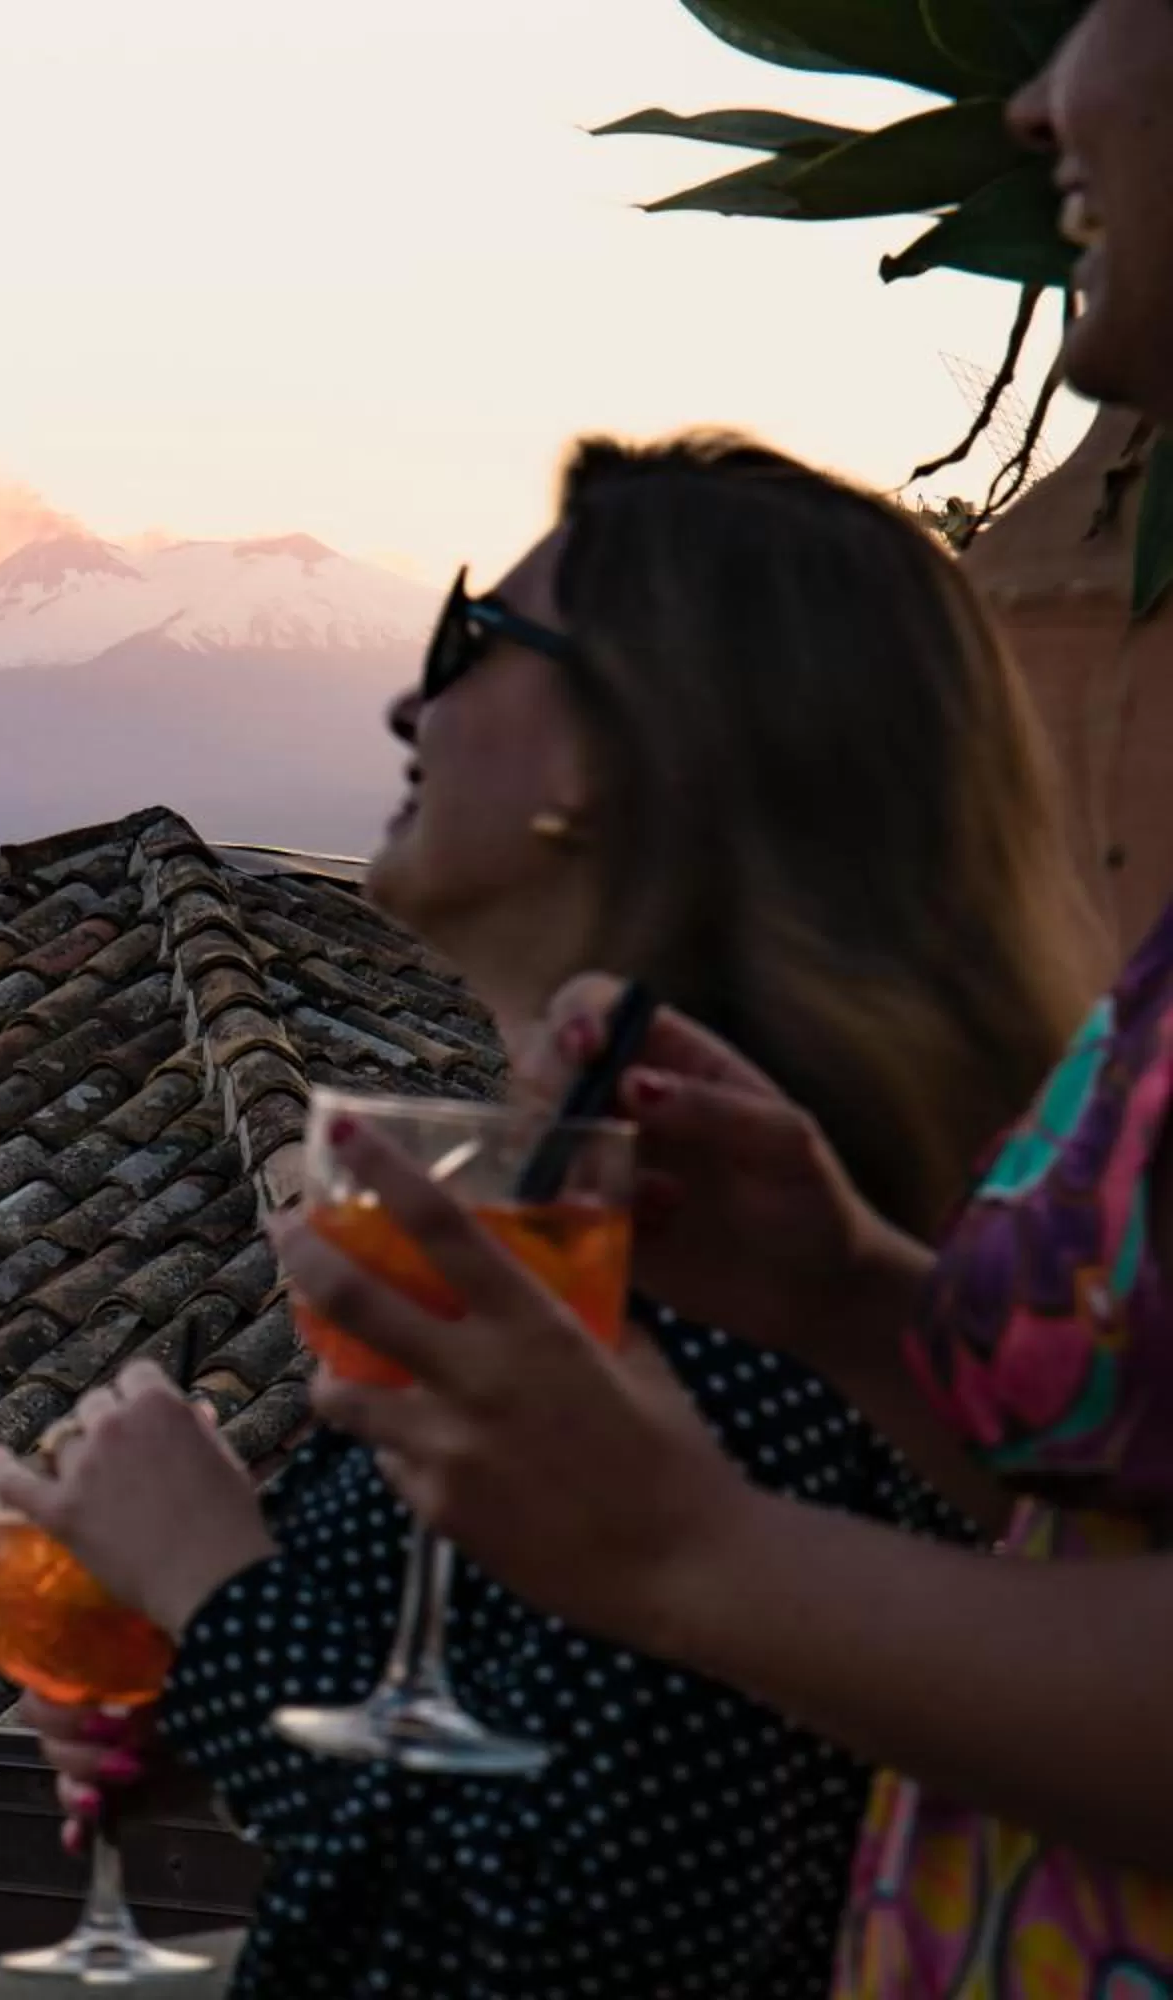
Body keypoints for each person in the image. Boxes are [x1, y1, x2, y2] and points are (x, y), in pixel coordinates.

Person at [260, 5, 1173, 1995]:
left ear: (652, 741)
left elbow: (578, 1900)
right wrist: (864, 1302)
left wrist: (687, 1546)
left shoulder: (690, 1364)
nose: (1035, 97)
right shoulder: (741, 1254)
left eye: (472, 634)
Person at [0, 433, 1102, 1996]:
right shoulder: (717, 1247)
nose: (406, 703)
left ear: (620, 747)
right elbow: (519, 1781)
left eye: (467, 639)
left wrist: (218, 1605)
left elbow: (567, 1934)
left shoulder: (716, 1319)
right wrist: (225, 1688)